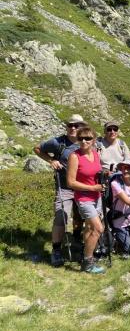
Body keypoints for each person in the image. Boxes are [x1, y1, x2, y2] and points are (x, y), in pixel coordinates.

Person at [33, 114, 87, 267]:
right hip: (64, 187)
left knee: (79, 216)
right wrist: (51, 160)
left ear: (82, 127)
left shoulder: (86, 142)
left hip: (83, 187)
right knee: (60, 217)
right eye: (70, 125)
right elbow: (37, 148)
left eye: (76, 126)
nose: (73, 128)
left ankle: (76, 239)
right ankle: (56, 250)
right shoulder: (58, 142)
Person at [66, 126, 105, 274]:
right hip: (84, 198)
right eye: (81, 138)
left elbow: (95, 173)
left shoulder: (95, 154)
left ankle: (85, 255)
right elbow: (71, 182)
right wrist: (93, 188)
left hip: (97, 196)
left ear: (94, 140)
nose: (84, 141)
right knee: (98, 228)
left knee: (89, 228)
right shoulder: (74, 157)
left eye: (88, 138)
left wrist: (102, 179)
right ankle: (88, 261)